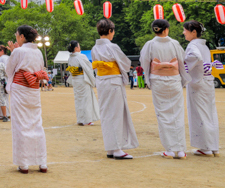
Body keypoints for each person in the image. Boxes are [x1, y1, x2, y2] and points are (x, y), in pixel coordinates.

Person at [140, 19, 190, 159]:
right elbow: (182, 61)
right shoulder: (174, 43)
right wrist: (183, 79)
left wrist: (148, 80)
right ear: (166, 29)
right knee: (177, 114)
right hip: (173, 79)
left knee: (162, 114)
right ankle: (180, 150)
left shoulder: (149, 45)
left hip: (158, 80)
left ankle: (169, 149)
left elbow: (144, 62)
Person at [91, 19, 138, 160]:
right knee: (116, 113)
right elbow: (125, 63)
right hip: (113, 81)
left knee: (106, 113)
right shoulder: (113, 46)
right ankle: (117, 148)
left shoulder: (94, 48)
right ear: (110, 31)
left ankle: (111, 148)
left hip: (102, 81)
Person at [5, 25, 49, 174]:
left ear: (22, 36)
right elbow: (40, 68)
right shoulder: (38, 52)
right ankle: (42, 162)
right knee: (37, 123)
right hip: (34, 89)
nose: (16, 37)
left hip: (20, 89)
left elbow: (9, 70)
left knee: (21, 125)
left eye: (17, 35)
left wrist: (14, 52)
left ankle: (24, 164)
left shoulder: (18, 51)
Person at [183, 20, 220, 157]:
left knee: (200, 113)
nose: (183, 32)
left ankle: (205, 147)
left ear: (193, 32)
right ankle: (213, 146)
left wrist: (186, 67)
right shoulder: (204, 46)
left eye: (185, 30)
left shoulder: (193, 45)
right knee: (210, 112)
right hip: (208, 81)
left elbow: (195, 57)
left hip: (198, 82)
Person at [66, 40, 100, 126]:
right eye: (79, 46)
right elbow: (89, 68)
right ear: (76, 48)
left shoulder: (70, 58)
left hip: (75, 80)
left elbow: (70, 70)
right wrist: (93, 80)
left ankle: (80, 119)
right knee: (86, 99)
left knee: (78, 100)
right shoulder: (81, 56)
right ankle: (88, 120)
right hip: (83, 80)